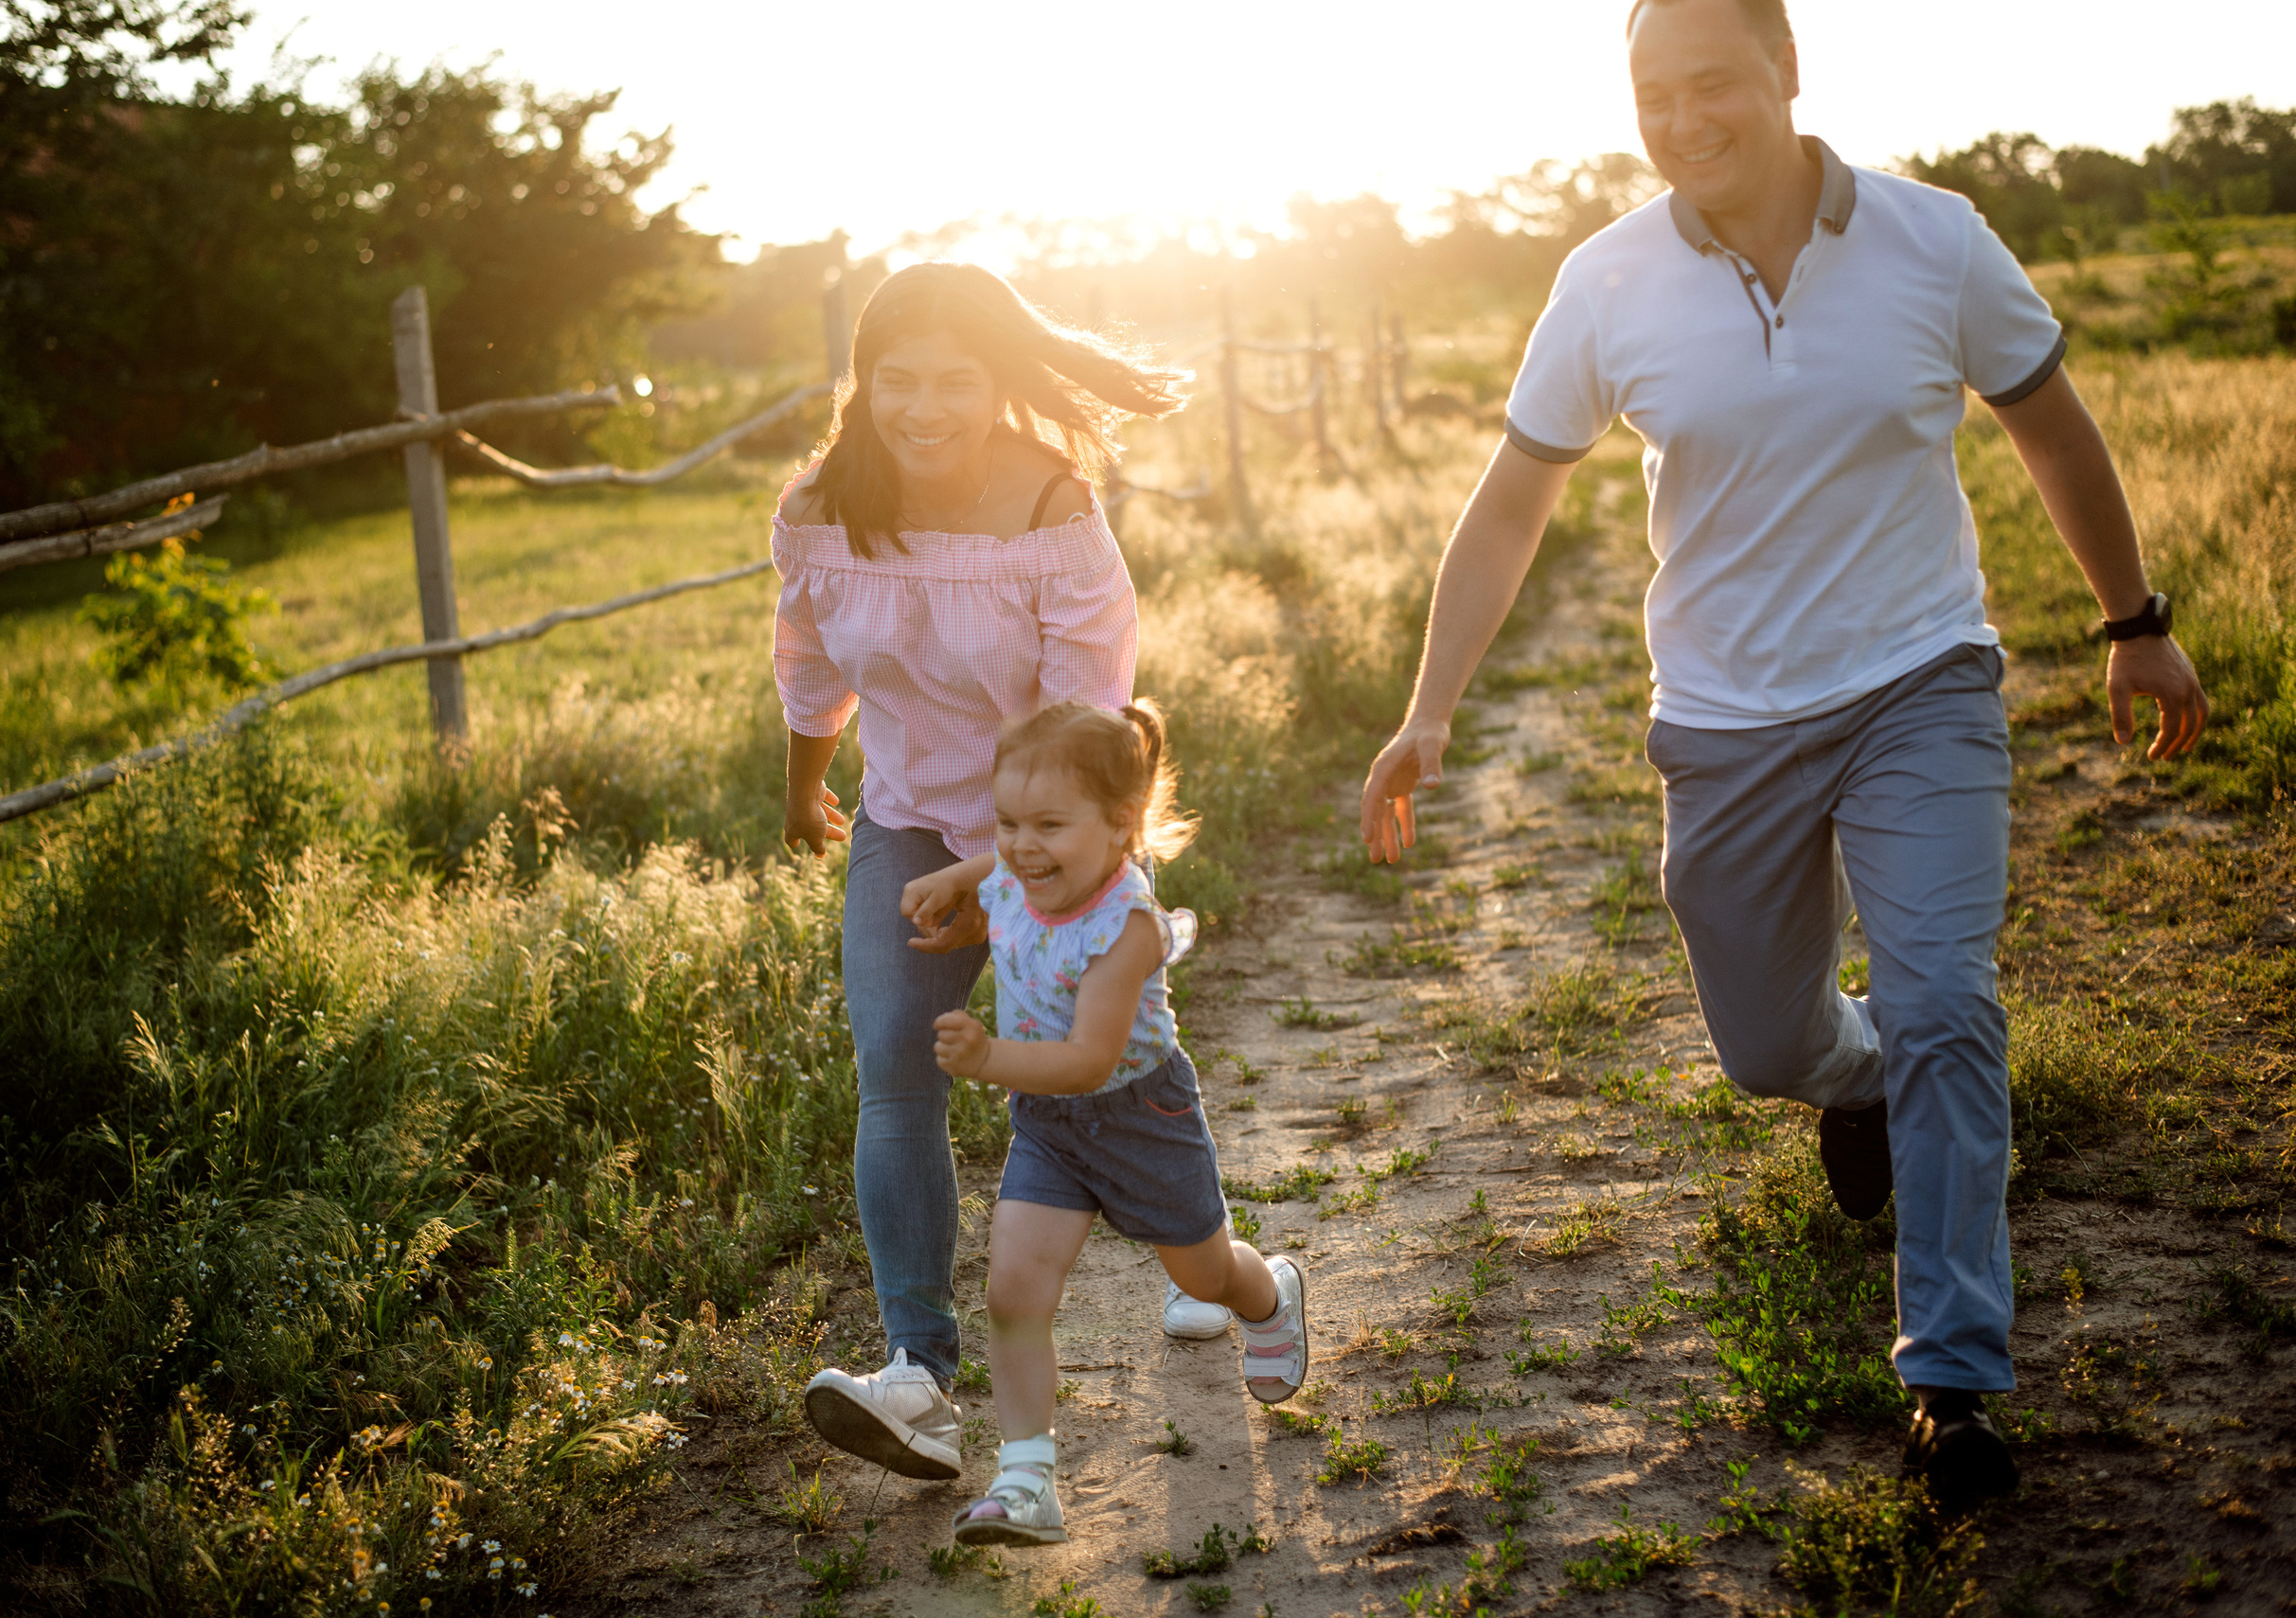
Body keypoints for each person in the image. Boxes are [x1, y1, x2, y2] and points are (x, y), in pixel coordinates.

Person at [1359, 0, 2209, 1509]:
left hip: (1918, 684)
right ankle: (1854, 1078)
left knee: (1950, 996)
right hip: (1727, 718)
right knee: (1766, 1047)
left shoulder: (1936, 241)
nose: (1682, 119)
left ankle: (1953, 1374)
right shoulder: (1606, 280)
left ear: (1788, 74)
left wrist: (2131, 619)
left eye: (1712, 84)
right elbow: (1508, 506)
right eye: (1650, 92)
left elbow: (2053, 431)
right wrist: (1430, 708)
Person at [774, 264, 1229, 1485]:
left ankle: (1210, 1257)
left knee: (1102, 1078)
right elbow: (807, 648)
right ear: (863, 379)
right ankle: (918, 1375)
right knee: (894, 1066)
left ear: (998, 381)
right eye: (896, 378)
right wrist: (801, 779)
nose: (923, 406)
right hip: (907, 816)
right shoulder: (822, 499)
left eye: (955, 380)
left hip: (1053, 833)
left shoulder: (1048, 507)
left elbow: (1091, 725)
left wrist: (1006, 863)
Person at [900, 700, 1310, 1547]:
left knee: (1203, 1277)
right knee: (1013, 1290)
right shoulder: (1020, 872)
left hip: (1140, 1118)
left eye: (1048, 824)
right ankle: (1026, 1479)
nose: (1020, 844)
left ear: (1121, 827)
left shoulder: (1126, 929)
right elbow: (1001, 867)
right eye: (1007, 821)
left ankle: (1269, 1296)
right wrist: (961, 875)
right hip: (1049, 1130)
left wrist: (987, 1058)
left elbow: (1089, 1057)